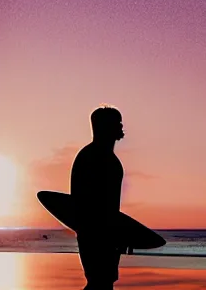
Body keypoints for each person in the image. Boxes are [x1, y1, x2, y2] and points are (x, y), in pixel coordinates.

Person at [70, 106, 126, 290]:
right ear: (105, 127)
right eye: (117, 123)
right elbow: (89, 205)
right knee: (100, 283)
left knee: (101, 283)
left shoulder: (101, 158)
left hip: (103, 236)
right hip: (96, 237)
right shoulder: (93, 157)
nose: (121, 127)